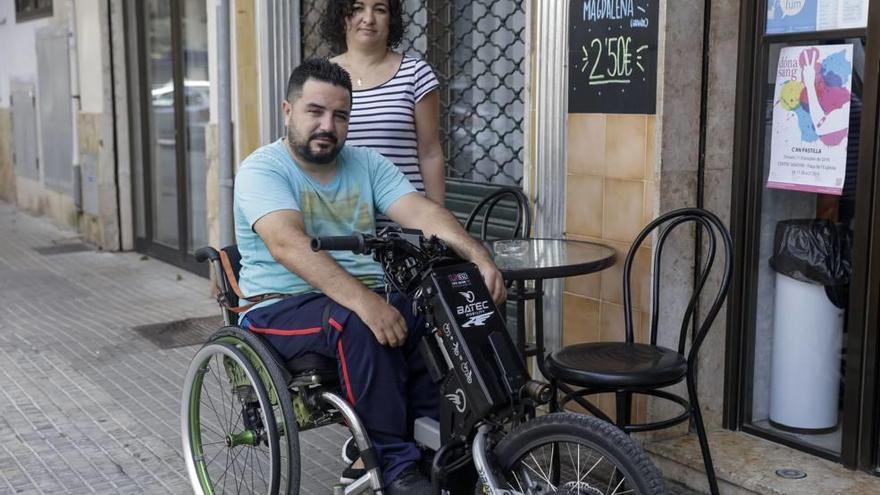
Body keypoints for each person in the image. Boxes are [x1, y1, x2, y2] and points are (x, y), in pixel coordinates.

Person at [233, 58, 505, 494]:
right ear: (288, 111)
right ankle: (392, 466)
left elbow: (421, 212)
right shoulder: (263, 169)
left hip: (360, 295)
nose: (328, 125)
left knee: (433, 309)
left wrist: (478, 257)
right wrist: (365, 301)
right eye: (315, 111)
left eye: (340, 115)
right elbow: (287, 243)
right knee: (361, 322)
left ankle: (439, 446)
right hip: (278, 304)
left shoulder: (367, 164)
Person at [321, 0, 445, 215]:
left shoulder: (416, 73)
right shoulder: (321, 75)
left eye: (380, 9)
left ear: (391, 19)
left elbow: (430, 152)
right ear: (342, 15)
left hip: (407, 219)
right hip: (341, 218)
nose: (368, 19)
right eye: (358, 8)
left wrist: (438, 223)